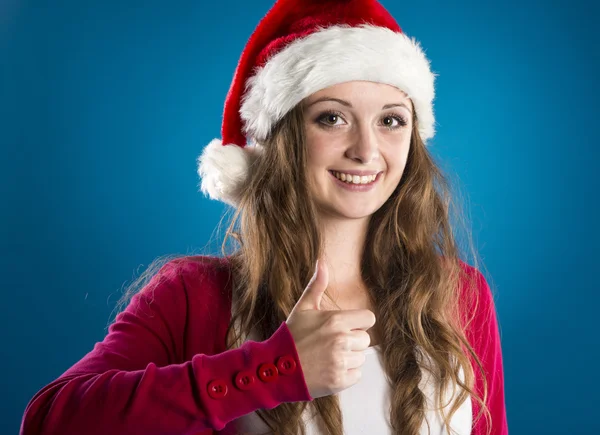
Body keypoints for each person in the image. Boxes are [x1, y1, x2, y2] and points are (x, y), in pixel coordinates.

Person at [20, 0, 508, 434]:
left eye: (391, 120)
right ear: (282, 139)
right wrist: (272, 370)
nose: (366, 150)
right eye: (332, 118)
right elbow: (50, 420)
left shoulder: (461, 297)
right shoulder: (194, 296)